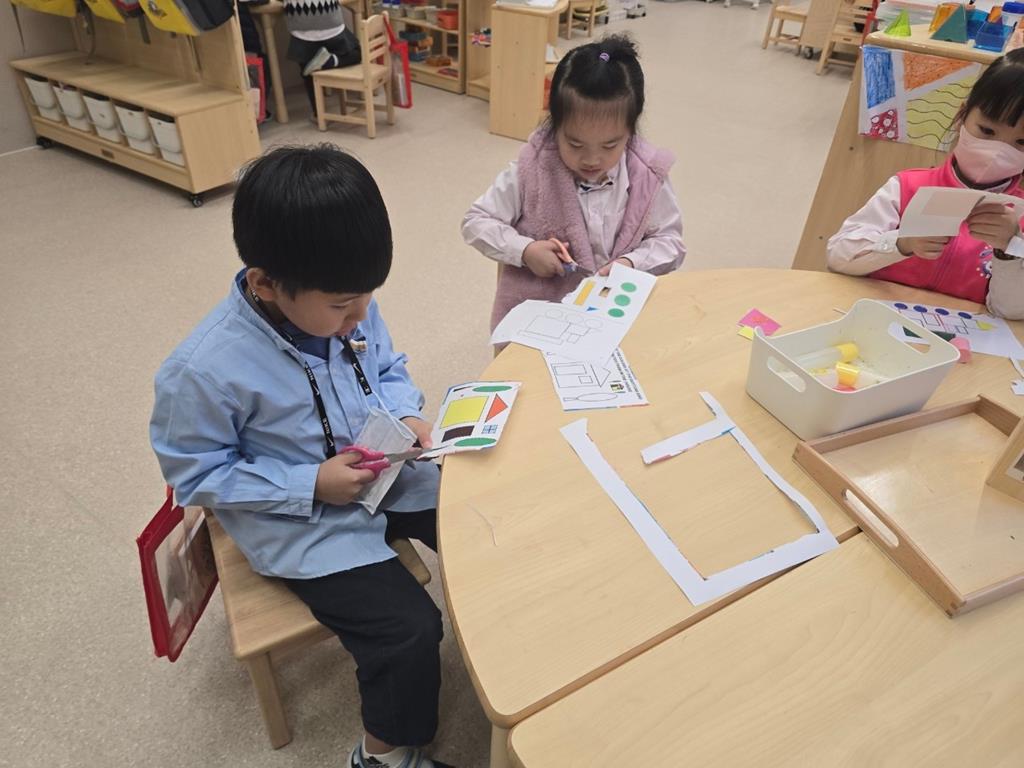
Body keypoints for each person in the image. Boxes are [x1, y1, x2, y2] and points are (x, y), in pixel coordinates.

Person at [150, 145, 454, 768]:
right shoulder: (202, 370)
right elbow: (195, 474)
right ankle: (382, 757)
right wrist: (309, 483)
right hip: (297, 518)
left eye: (367, 297)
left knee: (473, 510)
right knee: (408, 631)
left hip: (380, 470)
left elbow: (387, 369)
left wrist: (407, 416)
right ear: (264, 283)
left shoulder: (348, 303)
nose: (359, 315)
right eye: (342, 305)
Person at [462, 34, 685, 331]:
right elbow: (475, 221)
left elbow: (670, 243)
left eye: (610, 145)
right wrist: (525, 251)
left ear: (631, 131)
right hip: (544, 317)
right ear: (555, 124)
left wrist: (632, 264)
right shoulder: (533, 167)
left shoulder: (648, 174)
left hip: (615, 317)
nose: (592, 159)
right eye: (575, 144)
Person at [827, 48, 1024, 319]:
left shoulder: (1019, 217)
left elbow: (1011, 312)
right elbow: (838, 256)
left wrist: (1009, 249)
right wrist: (902, 243)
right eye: (987, 130)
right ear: (962, 116)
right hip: (879, 322)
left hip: (962, 336)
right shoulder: (908, 186)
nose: (998, 151)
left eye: (1021, 142)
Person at [284, 0, 361, 116]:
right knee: (358, 54)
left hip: (302, 31)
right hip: (331, 24)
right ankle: (330, 61)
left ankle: (318, 113)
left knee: (308, 71)